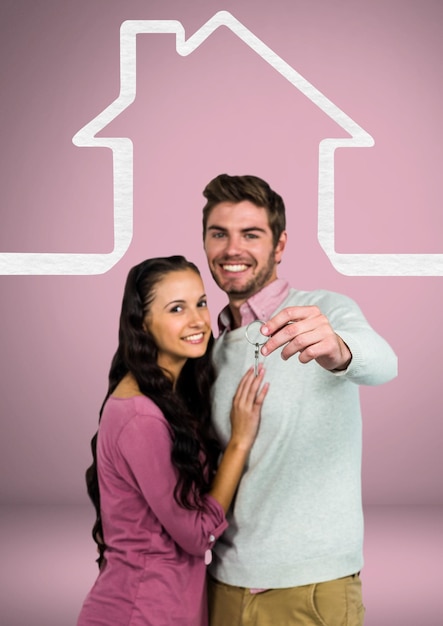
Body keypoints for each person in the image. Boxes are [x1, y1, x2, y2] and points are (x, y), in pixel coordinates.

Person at [201, 174, 398, 626]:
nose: (232, 249)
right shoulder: (207, 351)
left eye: (251, 234)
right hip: (223, 588)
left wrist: (339, 349)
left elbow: (386, 363)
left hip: (313, 588)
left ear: (280, 244)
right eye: (219, 234)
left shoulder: (324, 310)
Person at [76, 255, 269, 626]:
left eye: (200, 302)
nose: (197, 320)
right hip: (138, 613)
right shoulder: (140, 417)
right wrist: (239, 442)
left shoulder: (169, 399)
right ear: (143, 323)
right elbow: (196, 536)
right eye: (176, 308)